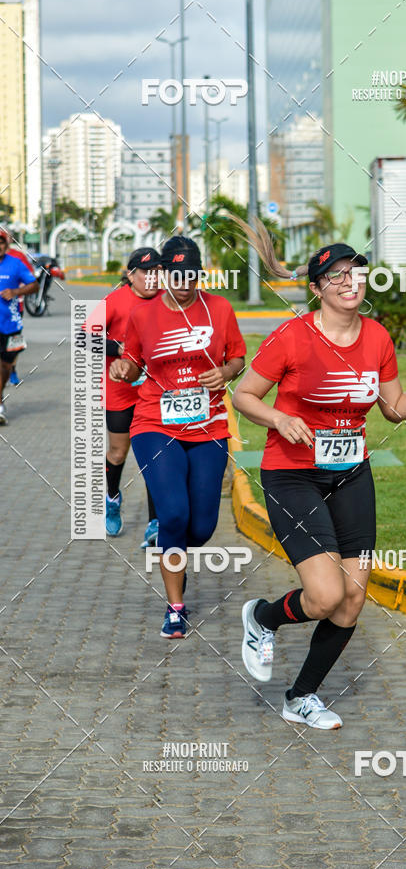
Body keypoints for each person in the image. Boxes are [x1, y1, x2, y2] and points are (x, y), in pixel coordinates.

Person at [231, 220, 406, 730]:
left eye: (356, 272)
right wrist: (279, 418)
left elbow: (393, 409)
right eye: (337, 276)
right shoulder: (292, 336)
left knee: (352, 597)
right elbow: (244, 396)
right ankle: (262, 617)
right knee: (325, 595)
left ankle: (301, 696)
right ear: (317, 289)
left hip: (351, 474)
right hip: (292, 474)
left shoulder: (376, 337)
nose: (350, 282)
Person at [109, 236, 246, 638]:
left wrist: (225, 373)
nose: (184, 281)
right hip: (155, 424)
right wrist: (122, 371)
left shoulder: (219, 309)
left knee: (200, 528)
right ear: (163, 274)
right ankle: (175, 606)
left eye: (191, 274)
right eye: (175, 273)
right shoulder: (142, 314)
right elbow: (133, 362)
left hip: (209, 428)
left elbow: (237, 357)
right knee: (172, 514)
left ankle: (173, 548)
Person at [89, 247, 161, 538]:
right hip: (119, 392)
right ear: (131, 275)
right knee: (118, 453)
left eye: (157, 272)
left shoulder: (167, 301)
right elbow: (85, 338)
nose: (152, 278)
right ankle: (112, 498)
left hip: (155, 393)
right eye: (146, 272)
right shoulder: (115, 301)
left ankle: (155, 522)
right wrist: (118, 348)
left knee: (155, 457)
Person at [0, 230, 38, 424]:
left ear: (6, 245)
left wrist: (15, 291)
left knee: (6, 365)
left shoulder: (15, 263)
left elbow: (35, 285)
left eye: (1, 242)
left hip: (13, 323)